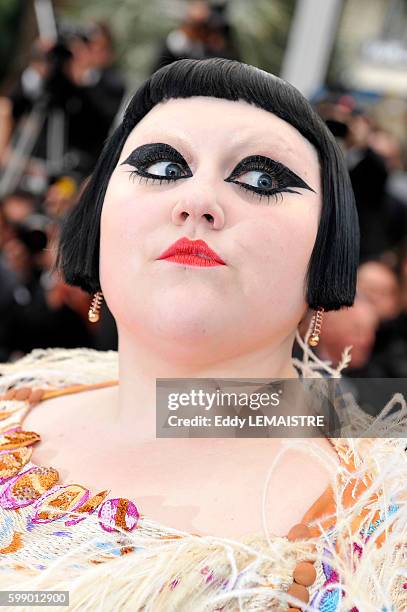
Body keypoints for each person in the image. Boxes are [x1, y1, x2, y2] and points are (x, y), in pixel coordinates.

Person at [0, 58, 406, 611]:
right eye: (163, 167)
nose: (197, 203)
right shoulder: (12, 399)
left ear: (329, 246)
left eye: (261, 179)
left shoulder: (383, 538)